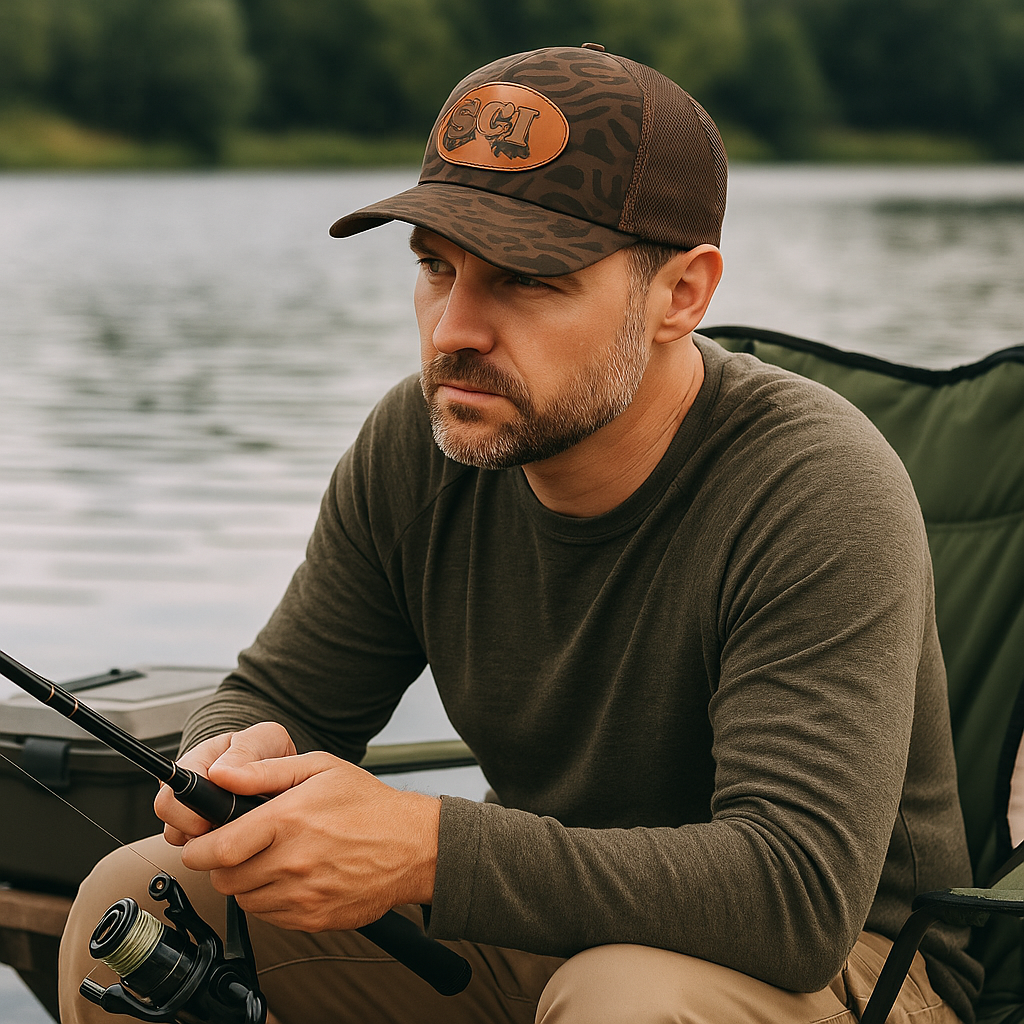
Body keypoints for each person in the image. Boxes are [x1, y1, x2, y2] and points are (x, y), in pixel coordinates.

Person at [59, 44, 982, 1024]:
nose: (453, 327)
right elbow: (283, 694)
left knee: (623, 1000)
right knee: (135, 897)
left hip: (859, 970)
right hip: (549, 930)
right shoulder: (417, 449)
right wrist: (222, 765)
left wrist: (424, 847)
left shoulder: (814, 488)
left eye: (527, 279)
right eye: (433, 267)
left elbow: (795, 896)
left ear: (682, 294)